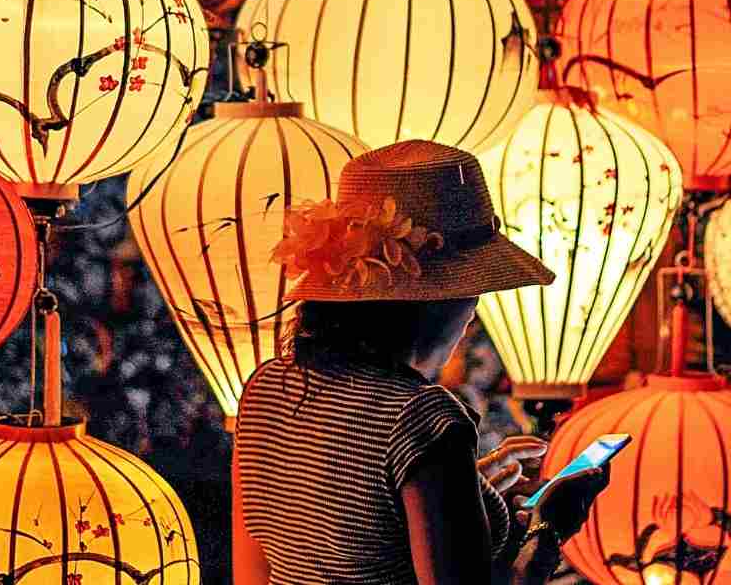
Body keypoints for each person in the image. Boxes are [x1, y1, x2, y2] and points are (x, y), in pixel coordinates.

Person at [233, 140, 609, 585]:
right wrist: (551, 528)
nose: (473, 313)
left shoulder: (266, 388)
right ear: (438, 301)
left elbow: (260, 571)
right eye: (473, 290)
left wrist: (463, 490)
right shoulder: (422, 417)